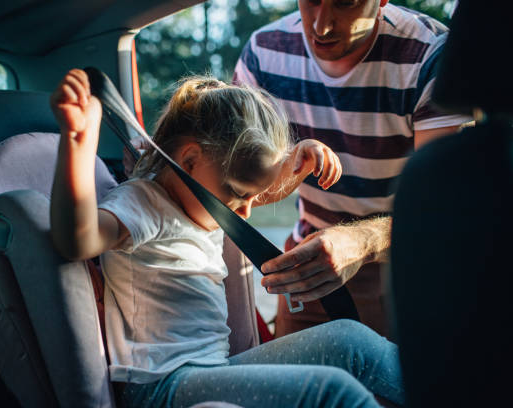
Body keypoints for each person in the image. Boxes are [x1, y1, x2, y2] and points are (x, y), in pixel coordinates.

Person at [49, 68, 405, 407]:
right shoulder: (144, 203)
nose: (247, 210)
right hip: (162, 388)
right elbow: (78, 239)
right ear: (189, 161)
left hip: (213, 371)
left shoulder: (203, 196)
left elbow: (254, 188)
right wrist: (79, 143)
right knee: (330, 391)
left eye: (250, 196)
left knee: (351, 340)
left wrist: (297, 162)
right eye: (238, 194)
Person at [233, 0, 471, 338]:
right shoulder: (263, 52)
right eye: (311, 0)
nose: (320, 26)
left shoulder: (432, 56)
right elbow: (238, 184)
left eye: (346, 2)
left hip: (410, 272)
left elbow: (446, 208)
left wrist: (361, 242)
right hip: (307, 271)